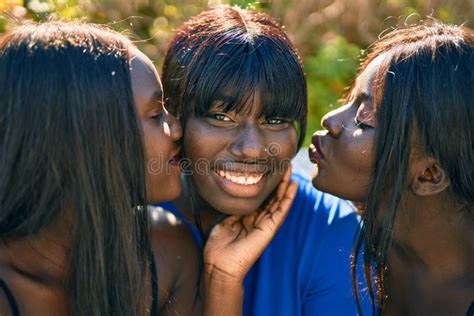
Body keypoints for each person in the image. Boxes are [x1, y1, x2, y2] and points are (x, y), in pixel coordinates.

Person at [160, 5, 370, 315]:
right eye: (221, 117)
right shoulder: (131, 220)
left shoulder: (332, 231)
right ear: (175, 115)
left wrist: (224, 280)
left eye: (274, 121)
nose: (252, 150)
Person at [0, 21, 201, 316]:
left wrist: (225, 279)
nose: (177, 129)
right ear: (90, 137)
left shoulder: (169, 253)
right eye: (157, 114)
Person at [309, 22, 474, 315]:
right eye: (349, 101)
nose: (330, 120)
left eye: (363, 120)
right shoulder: (316, 230)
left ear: (429, 175)